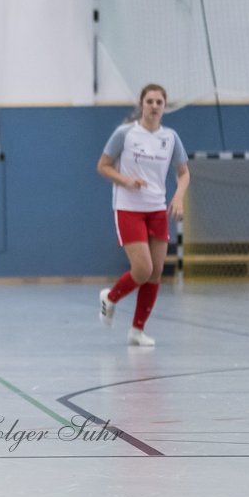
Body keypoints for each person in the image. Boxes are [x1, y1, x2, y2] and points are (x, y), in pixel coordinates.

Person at [97, 84, 190, 346]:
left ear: (165, 106)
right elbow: (102, 166)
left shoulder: (171, 138)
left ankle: (137, 330)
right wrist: (125, 180)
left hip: (157, 208)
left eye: (159, 102)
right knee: (142, 268)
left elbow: (184, 172)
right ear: (141, 104)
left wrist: (178, 196)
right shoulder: (125, 134)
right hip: (128, 208)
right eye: (149, 101)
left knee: (156, 272)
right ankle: (111, 298)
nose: (154, 106)